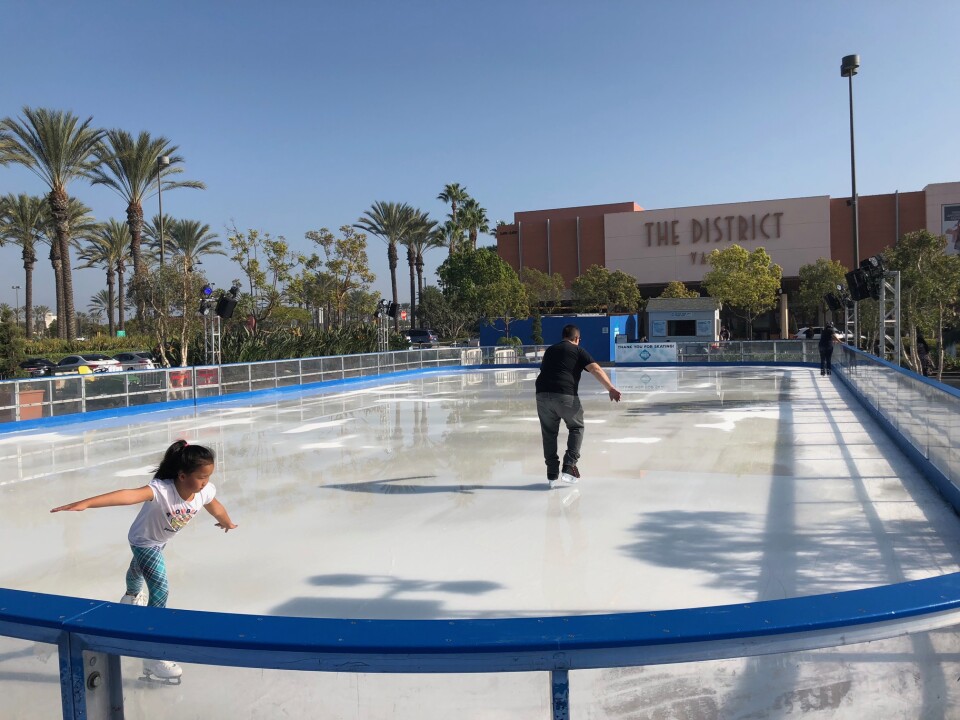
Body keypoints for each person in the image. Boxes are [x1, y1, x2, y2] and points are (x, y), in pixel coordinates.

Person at [51, 440, 237, 683]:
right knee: (160, 589)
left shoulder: (203, 491)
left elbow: (215, 505)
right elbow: (128, 496)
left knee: (138, 569)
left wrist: (225, 520)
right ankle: (152, 651)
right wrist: (86, 503)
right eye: (201, 477)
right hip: (144, 541)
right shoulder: (162, 490)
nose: (206, 482)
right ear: (182, 475)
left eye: (209, 476)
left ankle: (130, 598)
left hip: (158, 541)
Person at [535, 324, 621, 487]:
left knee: (549, 434)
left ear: (563, 337)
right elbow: (595, 369)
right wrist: (611, 388)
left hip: (542, 395)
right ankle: (569, 465)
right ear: (577, 339)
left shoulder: (550, 350)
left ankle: (552, 472)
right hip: (565, 395)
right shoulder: (577, 350)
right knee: (576, 427)